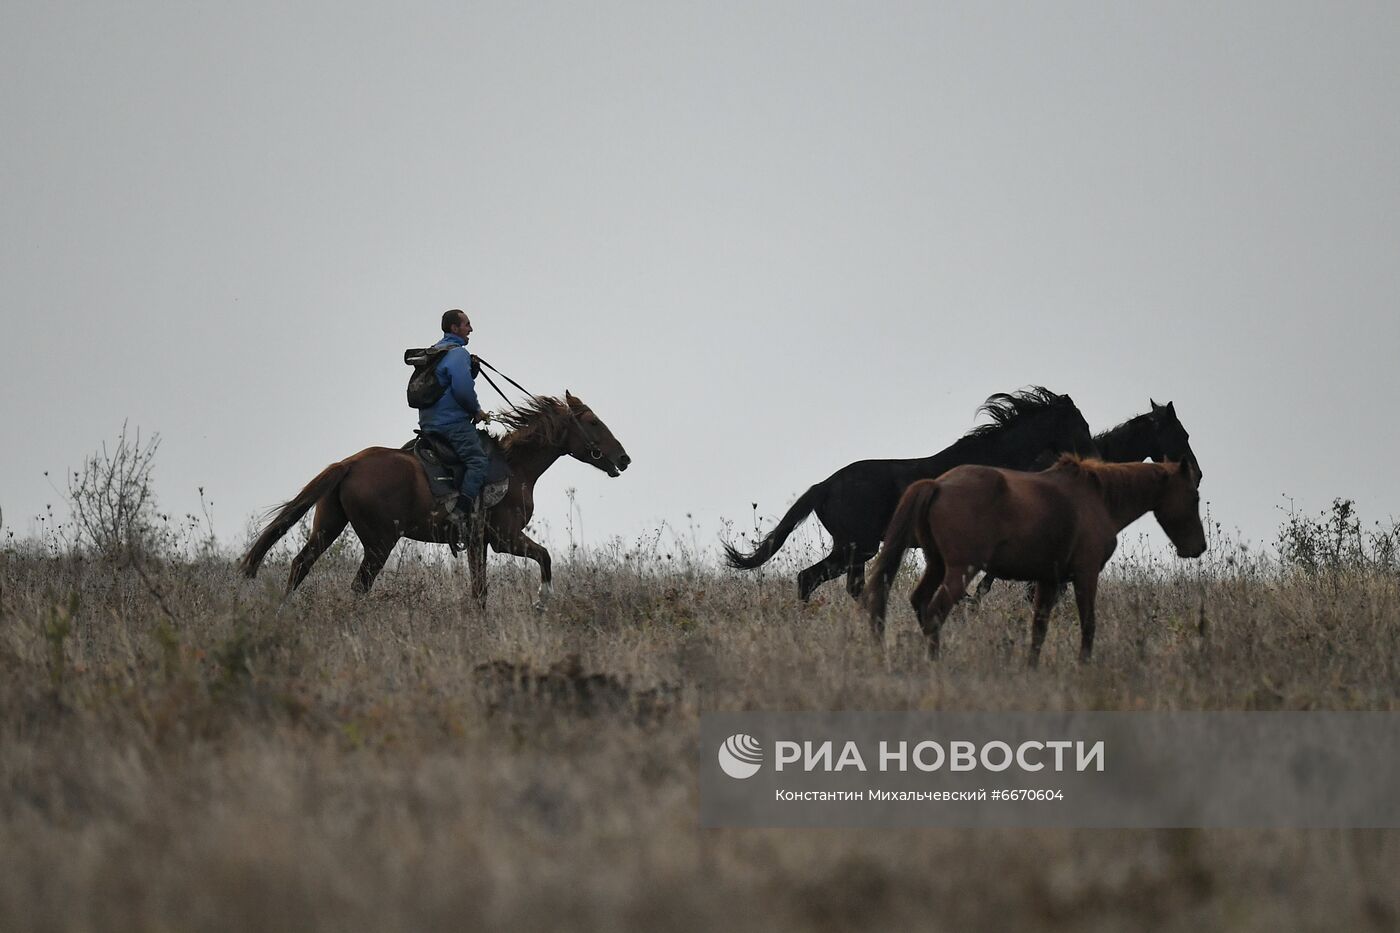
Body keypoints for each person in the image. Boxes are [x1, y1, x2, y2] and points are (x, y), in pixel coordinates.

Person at [419, 309, 488, 532]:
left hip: (428, 423)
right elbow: (462, 390)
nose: (471, 329)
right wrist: (476, 411)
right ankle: (459, 515)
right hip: (451, 424)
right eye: (467, 324)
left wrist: (472, 371)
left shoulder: (436, 351)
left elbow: (445, 384)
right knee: (478, 461)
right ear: (454, 328)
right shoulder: (458, 354)